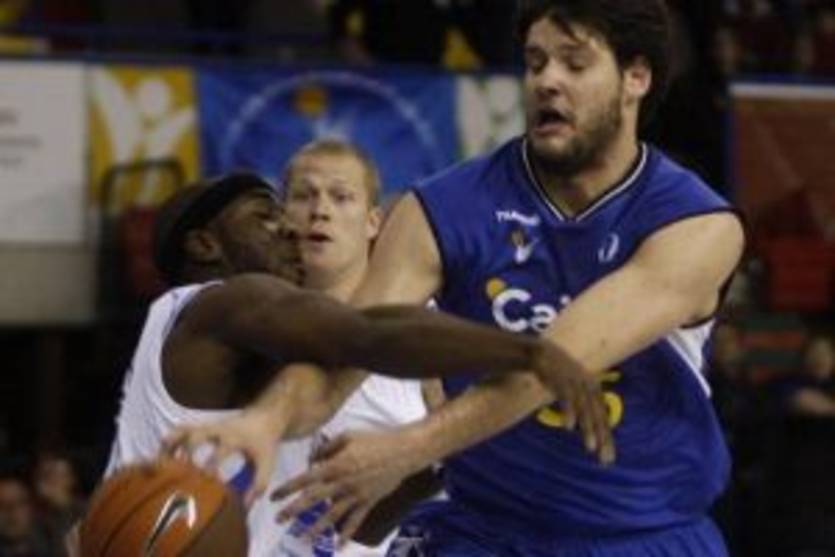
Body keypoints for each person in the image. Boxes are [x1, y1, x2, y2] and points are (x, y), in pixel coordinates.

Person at [186, 1, 746, 555]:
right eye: (535, 62)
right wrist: (266, 420)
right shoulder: (444, 208)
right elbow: (349, 342)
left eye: (574, 64)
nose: (547, 81)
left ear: (635, 78)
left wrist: (406, 450)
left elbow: (555, 361)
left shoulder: (696, 225)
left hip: (644, 535)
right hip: (482, 533)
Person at [98, 172, 609, 555]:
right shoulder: (221, 302)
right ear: (204, 243)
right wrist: (530, 352)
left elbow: (345, 529)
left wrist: (439, 453)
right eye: (264, 216)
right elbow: (367, 335)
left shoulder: (261, 381)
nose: (290, 229)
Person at [246, 140, 445, 556]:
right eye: (304, 196)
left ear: (373, 222)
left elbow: (457, 452)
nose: (320, 210)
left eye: (341, 197)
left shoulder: (418, 322)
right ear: (282, 218)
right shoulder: (249, 317)